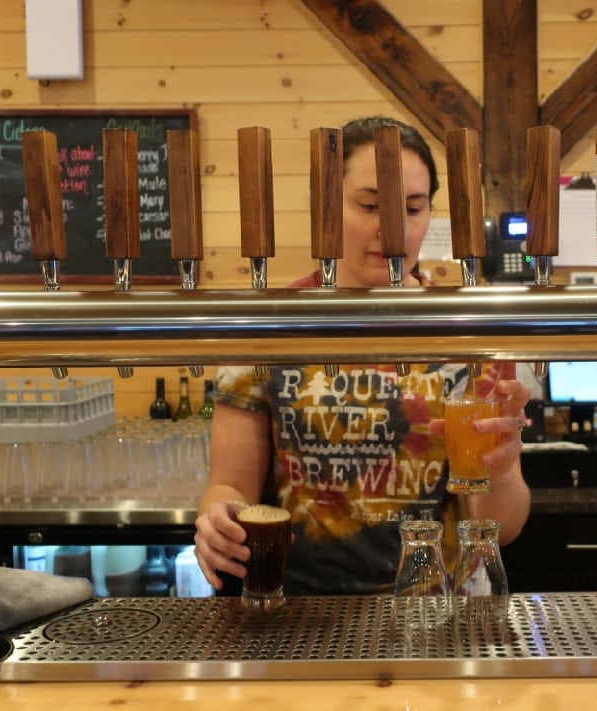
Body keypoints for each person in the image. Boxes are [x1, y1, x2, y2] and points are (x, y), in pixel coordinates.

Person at [194, 116, 532, 595]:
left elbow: (504, 525)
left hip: (430, 618)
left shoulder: (467, 336)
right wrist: (218, 519)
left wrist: (497, 470)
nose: (392, 229)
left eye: (413, 210)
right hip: (291, 617)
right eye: (371, 206)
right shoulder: (266, 330)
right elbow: (229, 487)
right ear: (326, 208)